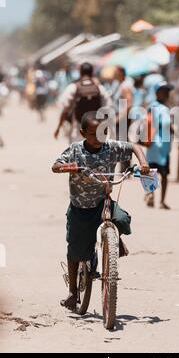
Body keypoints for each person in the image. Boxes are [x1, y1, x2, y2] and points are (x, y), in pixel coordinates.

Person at [52, 110, 150, 311]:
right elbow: (55, 166)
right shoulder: (76, 150)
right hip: (80, 207)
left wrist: (144, 163)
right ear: (82, 133)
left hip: (102, 202)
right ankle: (72, 292)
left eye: (102, 133)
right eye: (94, 134)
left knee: (122, 218)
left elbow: (134, 147)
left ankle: (113, 243)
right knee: (75, 248)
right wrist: (73, 168)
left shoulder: (110, 148)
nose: (99, 138)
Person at [54, 62, 112, 143]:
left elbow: (64, 110)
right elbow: (108, 108)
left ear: (80, 72)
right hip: (97, 130)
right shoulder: (99, 88)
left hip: (78, 129)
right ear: (92, 73)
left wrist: (58, 128)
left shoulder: (74, 87)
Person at [146, 82, 173, 210]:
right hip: (162, 146)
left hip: (152, 145)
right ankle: (162, 201)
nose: (167, 94)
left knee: (151, 172)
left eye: (168, 91)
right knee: (164, 174)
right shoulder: (163, 109)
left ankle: (150, 194)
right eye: (164, 91)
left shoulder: (151, 106)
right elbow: (167, 124)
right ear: (157, 93)